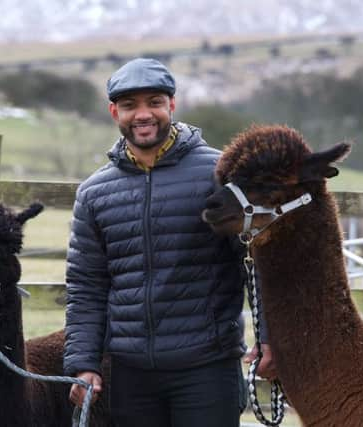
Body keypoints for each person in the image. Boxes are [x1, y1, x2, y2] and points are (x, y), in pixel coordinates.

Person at [63, 57, 274, 427]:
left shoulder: (221, 175)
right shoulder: (94, 194)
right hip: (130, 374)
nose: (143, 114)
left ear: (172, 106)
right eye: (130, 105)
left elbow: (259, 263)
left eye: (154, 102)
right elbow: (86, 285)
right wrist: (83, 363)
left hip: (206, 367)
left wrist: (271, 338)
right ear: (115, 111)